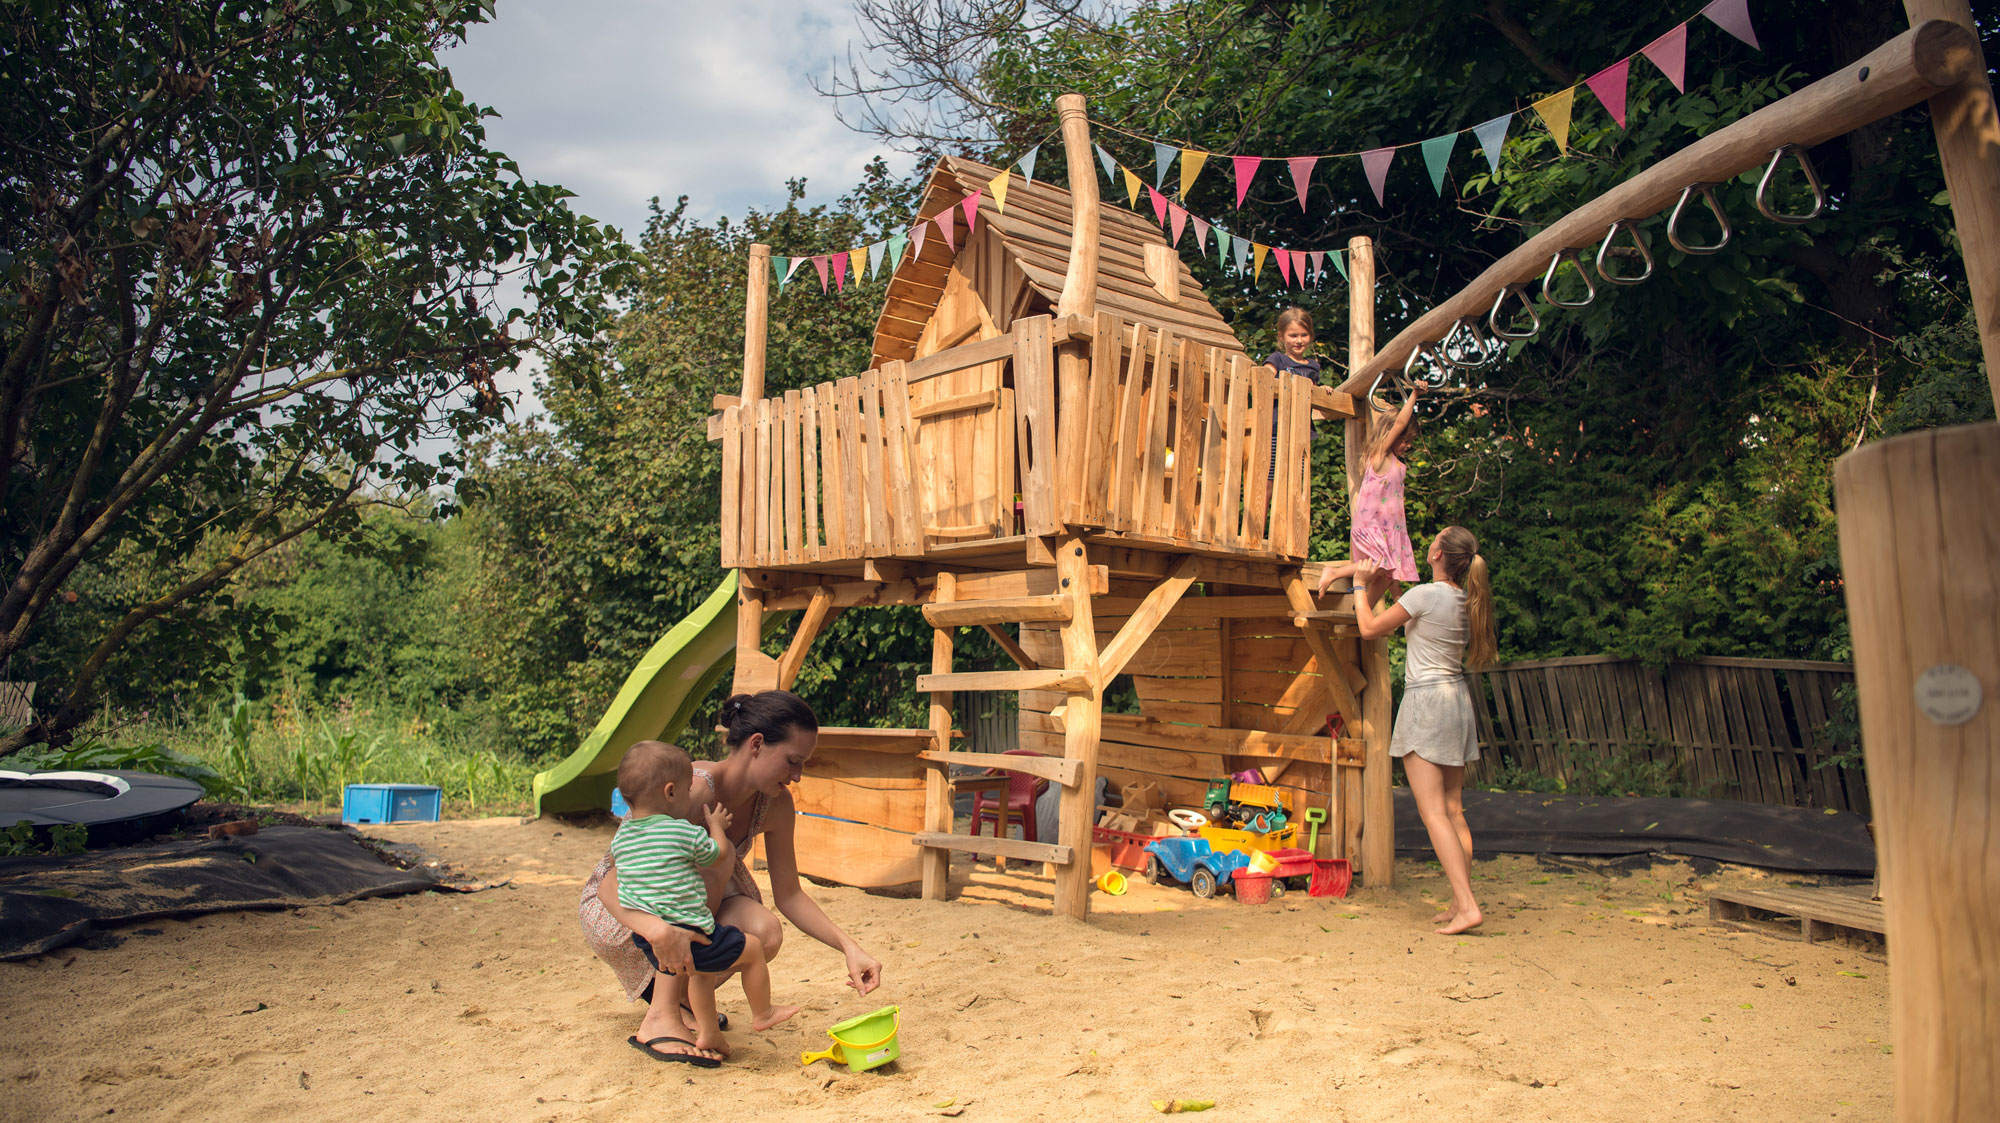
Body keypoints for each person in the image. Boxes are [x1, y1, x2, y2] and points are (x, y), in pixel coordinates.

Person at [579, 690, 883, 1066]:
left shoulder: (775, 803)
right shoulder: (693, 790)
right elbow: (612, 881)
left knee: (764, 931)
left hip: (688, 906)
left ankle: (685, 1000)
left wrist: (849, 947)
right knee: (706, 872)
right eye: (792, 761)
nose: (798, 775)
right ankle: (661, 1016)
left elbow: (789, 895)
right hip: (623, 912)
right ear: (757, 744)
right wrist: (656, 930)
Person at [607, 741, 800, 1064]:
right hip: (687, 929)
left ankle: (709, 1031)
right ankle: (763, 1012)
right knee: (751, 950)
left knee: (701, 974)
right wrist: (716, 828)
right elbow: (717, 854)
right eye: (686, 790)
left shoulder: (623, 838)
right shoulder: (679, 831)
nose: (691, 796)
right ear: (670, 792)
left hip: (646, 935)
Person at [1350, 526, 1496, 936]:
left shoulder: (1425, 597)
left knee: (1433, 813)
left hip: (1427, 705)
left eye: (1435, 538)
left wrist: (1360, 587)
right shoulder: (1462, 599)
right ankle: (1459, 901)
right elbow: (1423, 622)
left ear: (1435, 554)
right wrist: (1400, 594)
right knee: (1453, 809)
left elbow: (1369, 628)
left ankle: (1467, 907)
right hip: (1456, 702)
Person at [1314, 381, 1422, 604]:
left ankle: (1365, 609)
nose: (1408, 446)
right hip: (1371, 525)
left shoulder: (1398, 464)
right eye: (1405, 440)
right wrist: (1415, 395)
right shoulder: (1379, 457)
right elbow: (1401, 421)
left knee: (1389, 573)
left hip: (1389, 529)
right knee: (1379, 564)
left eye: (1411, 442)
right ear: (1392, 434)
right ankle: (1333, 572)